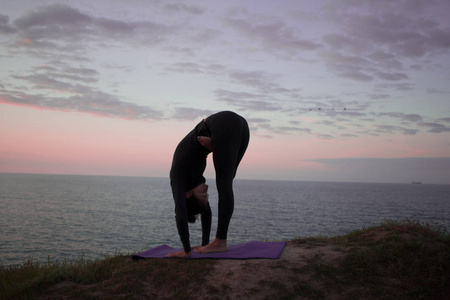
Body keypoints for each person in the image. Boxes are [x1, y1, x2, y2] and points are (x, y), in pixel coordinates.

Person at [168, 111, 250, 258]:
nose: (206, 188)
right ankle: (215, 243)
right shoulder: (194, 181)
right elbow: (207, 212)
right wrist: (205, 243)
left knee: (224, 182)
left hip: (221, 124)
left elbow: (180, 214)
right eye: (207, 194)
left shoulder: (178, 178)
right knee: (228, 177)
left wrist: (187, 250)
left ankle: (220, 242)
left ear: (188, 194)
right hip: (240, 124)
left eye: (203, 193)